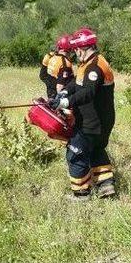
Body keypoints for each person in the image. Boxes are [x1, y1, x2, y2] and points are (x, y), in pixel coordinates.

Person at [50, 27, 116, 200]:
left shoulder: (95, 67)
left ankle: (81, 193)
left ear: (80, 49)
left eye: (75, 50)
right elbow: (77, 83)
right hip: (102, 121)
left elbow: (88, 92)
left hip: (92, 122)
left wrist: (66, 102)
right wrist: (64, 92)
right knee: (96, 150)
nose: (75, 53)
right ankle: (106, 186)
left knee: (76, 153)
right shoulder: (89, 62)